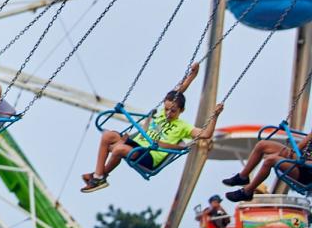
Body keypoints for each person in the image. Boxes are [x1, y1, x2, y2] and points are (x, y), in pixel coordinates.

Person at [81, 63, 224, 193]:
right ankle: (99, 176)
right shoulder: (162, 113)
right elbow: (178, 92)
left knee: (118, 149)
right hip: (138, 144)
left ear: (181, 110)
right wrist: (192, 76)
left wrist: (215, 116)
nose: (168, 113)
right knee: (107, 136)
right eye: (166, 109)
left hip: (150, 155)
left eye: (173, 111)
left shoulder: (183, 126)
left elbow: (206, 134)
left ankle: (98, 177)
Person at [222, 124, 312, 202]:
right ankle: (242, 176)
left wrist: (292, 155)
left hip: (306, 173)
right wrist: (292, 153)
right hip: (298, 158)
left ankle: (247, 192)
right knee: (262, 145)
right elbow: (302, 144)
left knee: (270, 160)